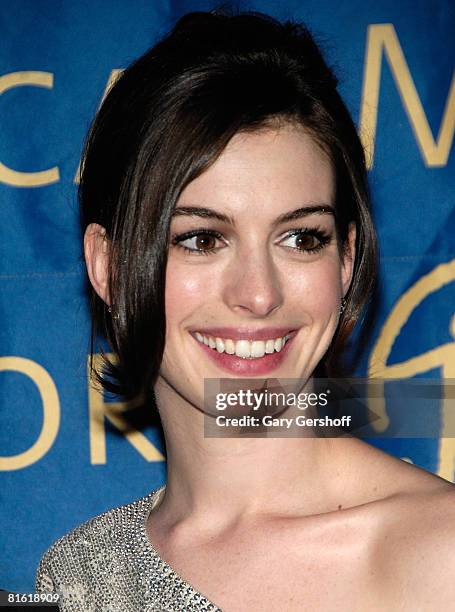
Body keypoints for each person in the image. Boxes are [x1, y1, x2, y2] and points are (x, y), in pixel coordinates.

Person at [35, 8, 455, 611]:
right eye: (202, 239)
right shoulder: (79, 577)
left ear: (346, 260)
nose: (259, 294)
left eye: (301, 237)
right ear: (109, 266)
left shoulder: (439, 554)